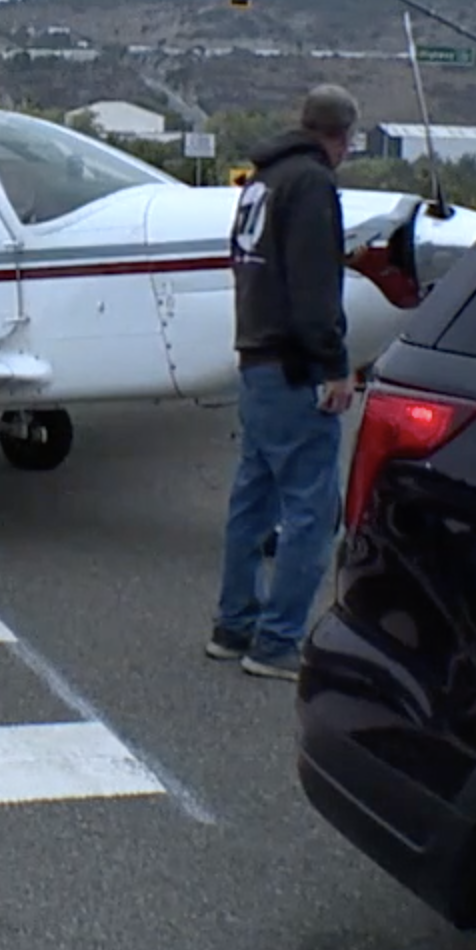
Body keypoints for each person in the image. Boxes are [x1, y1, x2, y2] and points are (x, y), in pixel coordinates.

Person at [207, 84, 359, 680]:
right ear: (342, 136)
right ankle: (276, 643)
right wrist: (335, 363)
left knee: (253, 499)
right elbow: (315, 285)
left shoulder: (261, 183)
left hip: (255, 357)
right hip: (294, 365)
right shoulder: (313, 184)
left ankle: (232, 624)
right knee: (311, 510)